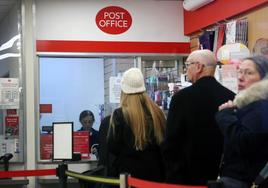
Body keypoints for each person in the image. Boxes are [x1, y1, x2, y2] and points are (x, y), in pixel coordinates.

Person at [161, 49, 235, 185]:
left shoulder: (181, 98)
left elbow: (171, 140)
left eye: (188, 65)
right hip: (220, 174)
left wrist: (172, 170)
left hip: (186, 175)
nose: (186, 69)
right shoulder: (231, 96)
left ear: (199, 67)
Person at [216, 55, 268, 188]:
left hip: (245, 180)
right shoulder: (247, 103)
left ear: (263, 79)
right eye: (240, 71)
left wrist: (225, 115)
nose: (240, 76)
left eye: (249, 73)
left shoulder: (261, 106)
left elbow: (244, 142)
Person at [107, 67, 166, 182]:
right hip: (155, 176)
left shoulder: (120, 114)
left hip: (129, 177)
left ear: (123, 90)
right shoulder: (157, 113)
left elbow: (112, 147)